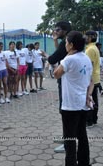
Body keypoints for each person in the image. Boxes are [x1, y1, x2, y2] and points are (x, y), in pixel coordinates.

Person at [53, 31, 93, 166]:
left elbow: (56, 74)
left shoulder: (69, 59)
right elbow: (90, 80)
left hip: (70, 106)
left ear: (71, 45)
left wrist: (66, 57)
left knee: (69, 139)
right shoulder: (85, 58)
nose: (65, 45)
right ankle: (84, 162)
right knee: (82, 135)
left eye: (66, 43)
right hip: (83, 104)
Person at [47, 21, 71, 153]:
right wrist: (56, 41)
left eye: (58, 29)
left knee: (65, 112)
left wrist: (47, 57)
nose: (55, 31)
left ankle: (69, 143)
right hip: (66, 81)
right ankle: (67, 138)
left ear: (65, 30)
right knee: (65, 111)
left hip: (66, 81)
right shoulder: (66, 42)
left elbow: (53, 58)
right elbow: (59, 53)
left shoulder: (66, 42)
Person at [85, 31, 101, 128]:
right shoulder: (94, 48)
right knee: (94, 99)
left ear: (90, 37)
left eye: (86, 36)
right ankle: (94, 119)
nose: (84, 38)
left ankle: (89, 121)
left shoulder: (90, 49)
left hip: (91, 78)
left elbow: (89, 65)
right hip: (95, 77)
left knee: (89, 99)